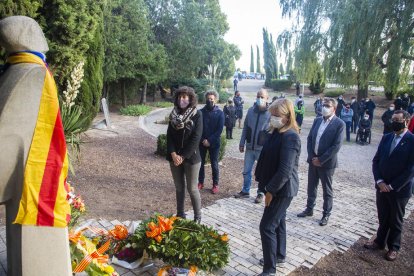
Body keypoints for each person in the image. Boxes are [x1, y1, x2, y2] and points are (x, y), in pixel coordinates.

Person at [255, 98, 301, 275]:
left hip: (281, 190)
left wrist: (269, 191)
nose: (273, 117)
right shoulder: (276, 131)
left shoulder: (291, 137)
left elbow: (284, 171)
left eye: (277, 115)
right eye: (271, 114)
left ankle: (269, 270)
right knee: (278, 221)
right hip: (273, 186)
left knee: (266, 227)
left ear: (287, 116)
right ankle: (279, 255)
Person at [365, 110, 414, 262]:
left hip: (399, 190)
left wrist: (392, 186)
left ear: (406, 120)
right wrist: (379, 181)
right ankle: (380, 241)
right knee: (383, 216)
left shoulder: (412, 140)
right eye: (393, 119)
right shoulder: (386, 138)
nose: (394, 122)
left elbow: (411, 169)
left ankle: (394, 247)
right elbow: (376, 161)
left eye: (397, 120)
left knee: (396, 220)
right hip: (382, 186)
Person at [297, 97, 345, 226]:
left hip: (327, 163)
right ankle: (309, 208)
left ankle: (326, 214)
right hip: (313, 160)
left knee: (327, 190)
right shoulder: (317, 120)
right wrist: (312, 157)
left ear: (334, 108)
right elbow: (310, 139)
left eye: (327, 106)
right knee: (311, 186)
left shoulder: (340, 124)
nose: (324, 107)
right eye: (324, 105)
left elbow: (336, 146)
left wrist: (321, 159)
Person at [167, 86, 203, 222]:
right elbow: (169, 136)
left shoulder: (197, 114)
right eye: (180, 96)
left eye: (185, 97)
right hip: (174, 157)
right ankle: (180, 215)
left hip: (191, 158)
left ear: (191, 99)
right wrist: (173, 154)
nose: (182, 99)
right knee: (179, 187)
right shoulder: (173, 115)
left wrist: (182, 156)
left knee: (192, 189)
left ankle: (197, 218)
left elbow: (196, 138)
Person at [235, 89, 271, 203]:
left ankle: (261, 193)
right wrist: (242, 143)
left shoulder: (270, 113)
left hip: (263, 149)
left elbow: (272, 131)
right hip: (250, 147)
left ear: (267, 99)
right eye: (258, 96)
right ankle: (245, 190)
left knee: (263, 172)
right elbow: (245, 127)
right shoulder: (251, 111)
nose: (259, 99)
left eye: (262, 97)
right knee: (246, 171)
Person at [198, 90, 224, 194]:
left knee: (214, 164)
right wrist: (203, 140)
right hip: (202, 142)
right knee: (201, 163)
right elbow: (198, 128)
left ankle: (215, 184)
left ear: (215, 100)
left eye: (212, 99)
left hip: (214, 143)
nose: (210, 101)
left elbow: (219, 130)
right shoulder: (200, 112)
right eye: (208, 99)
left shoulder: (220, 113)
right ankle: (200, 182)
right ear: (205, 99)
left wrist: (209, 140)